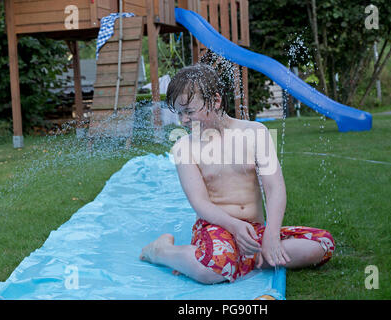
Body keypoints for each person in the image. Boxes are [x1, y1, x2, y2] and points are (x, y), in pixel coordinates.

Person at [140, 63, 335, 284]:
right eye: (180, 113)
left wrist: (271, 235)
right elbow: (200, 203)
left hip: (255, 231)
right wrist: (234, 226)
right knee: (210, 273)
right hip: (216, 226)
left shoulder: (255, 133)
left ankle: (225, 258)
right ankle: (163, 251)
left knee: (322, 245)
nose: (183, 120)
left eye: (189, 112)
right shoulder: (185, 147)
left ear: (215, 101)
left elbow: (274, 187)